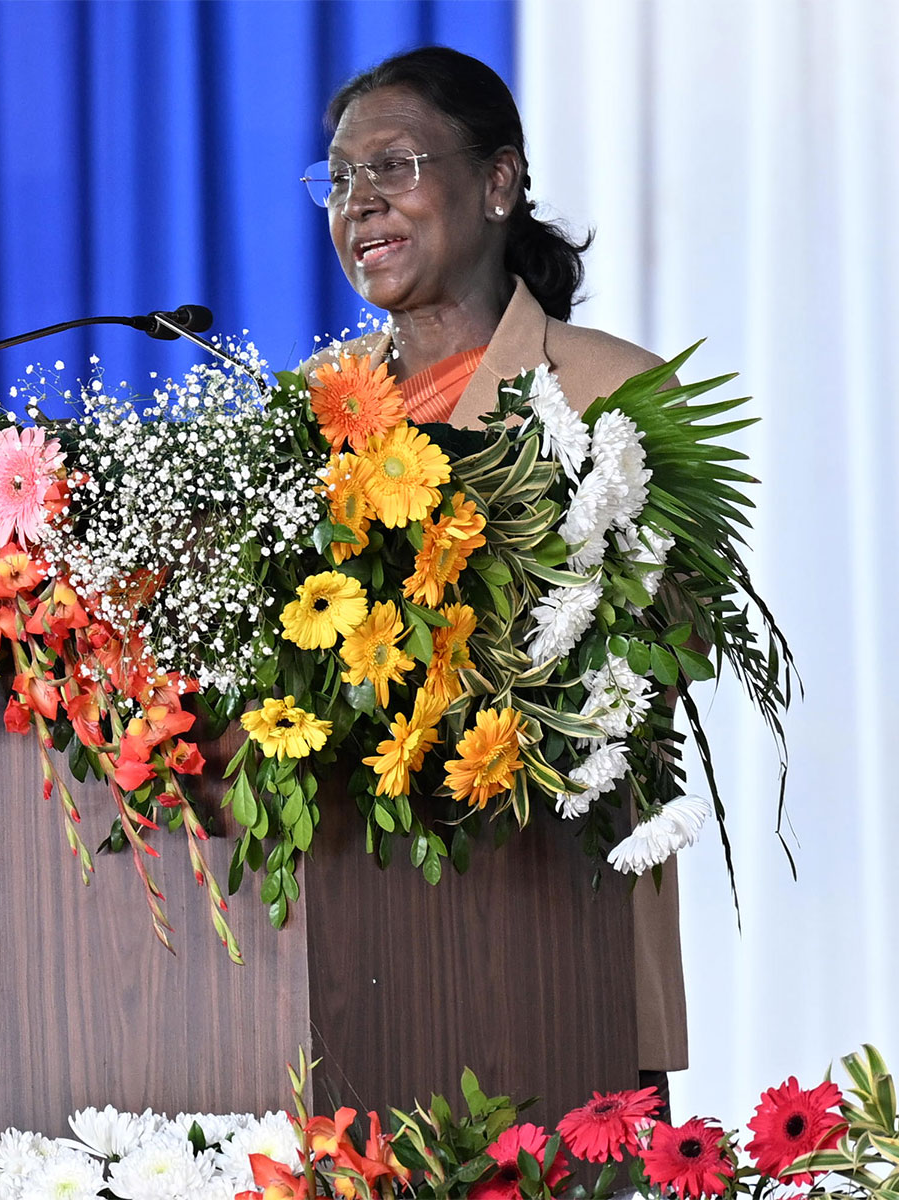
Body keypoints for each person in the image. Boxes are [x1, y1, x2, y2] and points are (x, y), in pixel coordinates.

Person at [302, 45, 686, 1100]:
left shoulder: (616, 391)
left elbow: (672, 644)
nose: (358, 202)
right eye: (337, 179)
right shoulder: (311, 414)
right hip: (346, 947)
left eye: (392, 166)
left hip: (558, 931)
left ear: (499, 182)